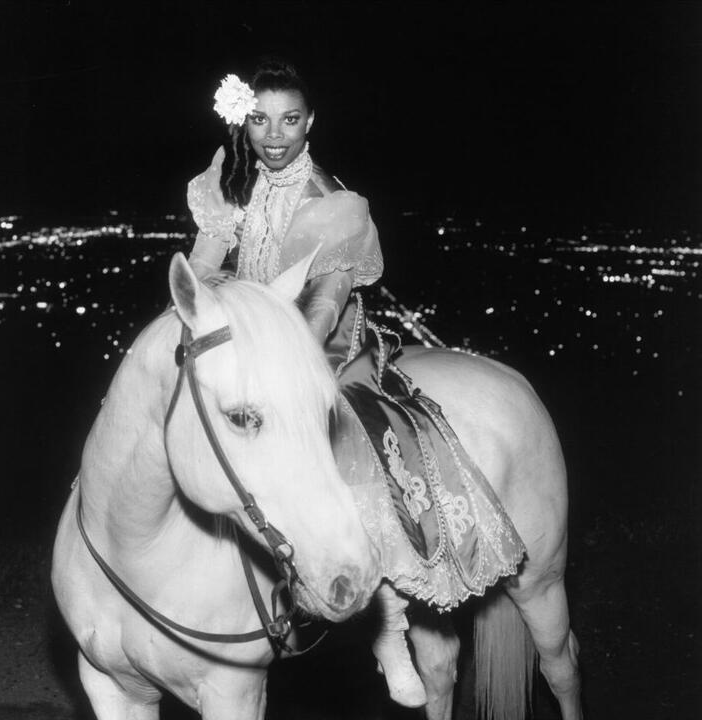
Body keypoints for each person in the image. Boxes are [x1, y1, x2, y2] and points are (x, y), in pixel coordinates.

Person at [186, 61, 525, 709]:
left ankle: (389, 624)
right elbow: (203, 268)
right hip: (251, 346)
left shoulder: (328, 199)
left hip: (327, 352)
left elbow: (325, 302)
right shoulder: (226, 183)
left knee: (348, 455)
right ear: (242, 122)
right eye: (260, 119)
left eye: (289, 119)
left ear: (309, 122)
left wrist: (279, 356)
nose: (275, 134)